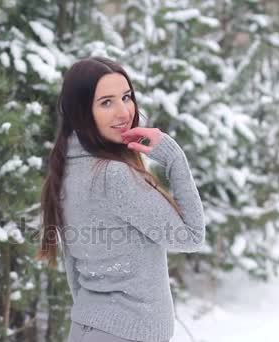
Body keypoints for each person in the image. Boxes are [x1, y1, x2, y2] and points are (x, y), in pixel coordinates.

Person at [36, 56, 206, 342]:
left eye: (126, 97)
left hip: (86, 329)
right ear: (81, 112)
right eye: (106, 102)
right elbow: (191, 236)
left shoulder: (66, 171)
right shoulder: (113, 177)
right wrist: (174, 158)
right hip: (126, 333)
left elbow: (73, 271)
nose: (124, 112)